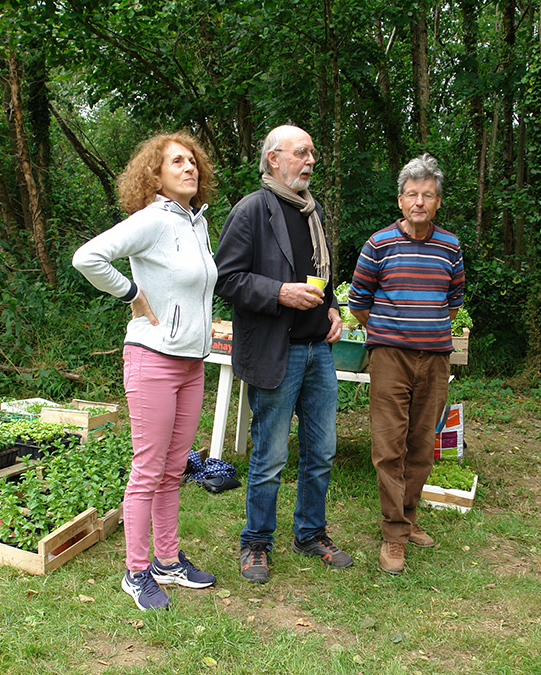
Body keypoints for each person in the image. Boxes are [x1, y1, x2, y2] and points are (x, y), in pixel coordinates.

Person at [72, 132, 218, 610]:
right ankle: (136, 572)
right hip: (152, 359)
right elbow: (87, 257)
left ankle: (167, 561)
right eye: (176, 162)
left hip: (192, 364)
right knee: (148, 470)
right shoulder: (152, 220)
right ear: (155, 174)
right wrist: (131, 293)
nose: (189, 167)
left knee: (174, 469)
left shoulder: (197, 223)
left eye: (192, 161)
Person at [214, 124, 353, 584]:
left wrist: (332, 308)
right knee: (270, 456)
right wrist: (279, 292)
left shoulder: (313, 211)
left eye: (312, 152)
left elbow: (322, 276)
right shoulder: (251, 211)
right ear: (274, 159)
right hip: (277, 353)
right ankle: (256, 542)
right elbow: (226, 279)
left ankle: (310, 534)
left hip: (318, 351)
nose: (310, 160)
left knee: (322, 451)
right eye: (301, 153)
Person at [348, 153, 465, 575]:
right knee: (388, 446)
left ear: (437, 202)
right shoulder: (378, 244)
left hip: (434, 358)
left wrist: (423, 331)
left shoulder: (450, 247)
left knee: (420, 443)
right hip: (390, 358)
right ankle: (394, 534)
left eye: (427, 195)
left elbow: (453, 302)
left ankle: (408, 516)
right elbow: (358, 302)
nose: (419, 202)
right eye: (412, 194)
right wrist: (391, 333)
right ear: (400, 200)